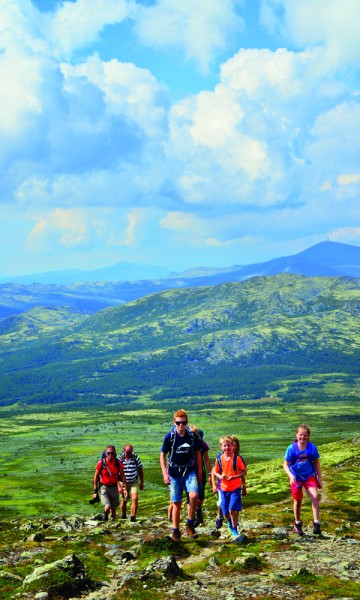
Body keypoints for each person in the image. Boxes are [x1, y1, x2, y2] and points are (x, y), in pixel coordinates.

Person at [160, 409, 202, 541]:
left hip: (189, 471)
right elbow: (162, 454)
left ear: (186, 422)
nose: (181, 426)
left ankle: (190, 524)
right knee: (176, 502)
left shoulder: (192, 436)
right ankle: (176, 530)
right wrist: (164, 472)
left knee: (194, 495)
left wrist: (200, 470)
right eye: (178, 423)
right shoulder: (170, 437)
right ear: (174, 422)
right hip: (174, 473)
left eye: (183, 423)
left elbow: (198, 453)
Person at [283, 424, 322, 536]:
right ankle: (297, 523)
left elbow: (317, 463)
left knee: (314, 496)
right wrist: (291, 476)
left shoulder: (312, 448)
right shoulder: (291, 448)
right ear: (297, 435)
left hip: (309, 476)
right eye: (301, 435)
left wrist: (319, 478)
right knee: (298, 500)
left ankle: (316, 523)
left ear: (308, 436)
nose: (303, 437)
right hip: (296, 477)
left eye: (305, 435)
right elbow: (285, 464)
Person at [213, 435, 247, 540]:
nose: (227, 448)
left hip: (235, 488)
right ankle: (229, 522)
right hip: (223, 489)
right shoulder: (219, 459)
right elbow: (215, 471)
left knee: (232, 509)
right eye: (225, 446)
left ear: (233, 447)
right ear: (221, 447)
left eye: (229, 445)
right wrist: (220, 476)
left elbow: (244, 471)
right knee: (225, 511)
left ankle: (234, 529)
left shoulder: (237, 458)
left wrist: (235, 477)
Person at [93, 445, 127, 521]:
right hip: (104, 487)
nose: (110, 455)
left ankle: (113, 523)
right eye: (108, 453)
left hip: (114, 487)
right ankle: (105, 517)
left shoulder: (118, 463)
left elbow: (123, 476)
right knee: (107, 506)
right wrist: (95, 491)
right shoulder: (101, 463)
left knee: (114, 508)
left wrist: (124, 488)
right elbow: (96, 476)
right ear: (106, 453)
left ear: (114, 453)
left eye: (112, 453)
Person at [189, 425, 212, 527]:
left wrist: (210, 473)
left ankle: (198, 509)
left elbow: (206, 459)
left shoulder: (202, 445)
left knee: (201, 496)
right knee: (191, 497)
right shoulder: (186, 445)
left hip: (200, 472)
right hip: (189, 474)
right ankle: (191, 518)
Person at [119, 444, 144, 522]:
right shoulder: (120, 459)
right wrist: (119, 486)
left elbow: (140, 470)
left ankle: (133, 516)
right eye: (127, 452)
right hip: (123, 482)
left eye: (129, 452)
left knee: (135, 497)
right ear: (124, 451)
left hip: (134, 481)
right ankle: (123, 515)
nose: (128, 454)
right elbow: (116, 473)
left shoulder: (136, 458)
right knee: (124, 499)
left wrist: (142, 482)